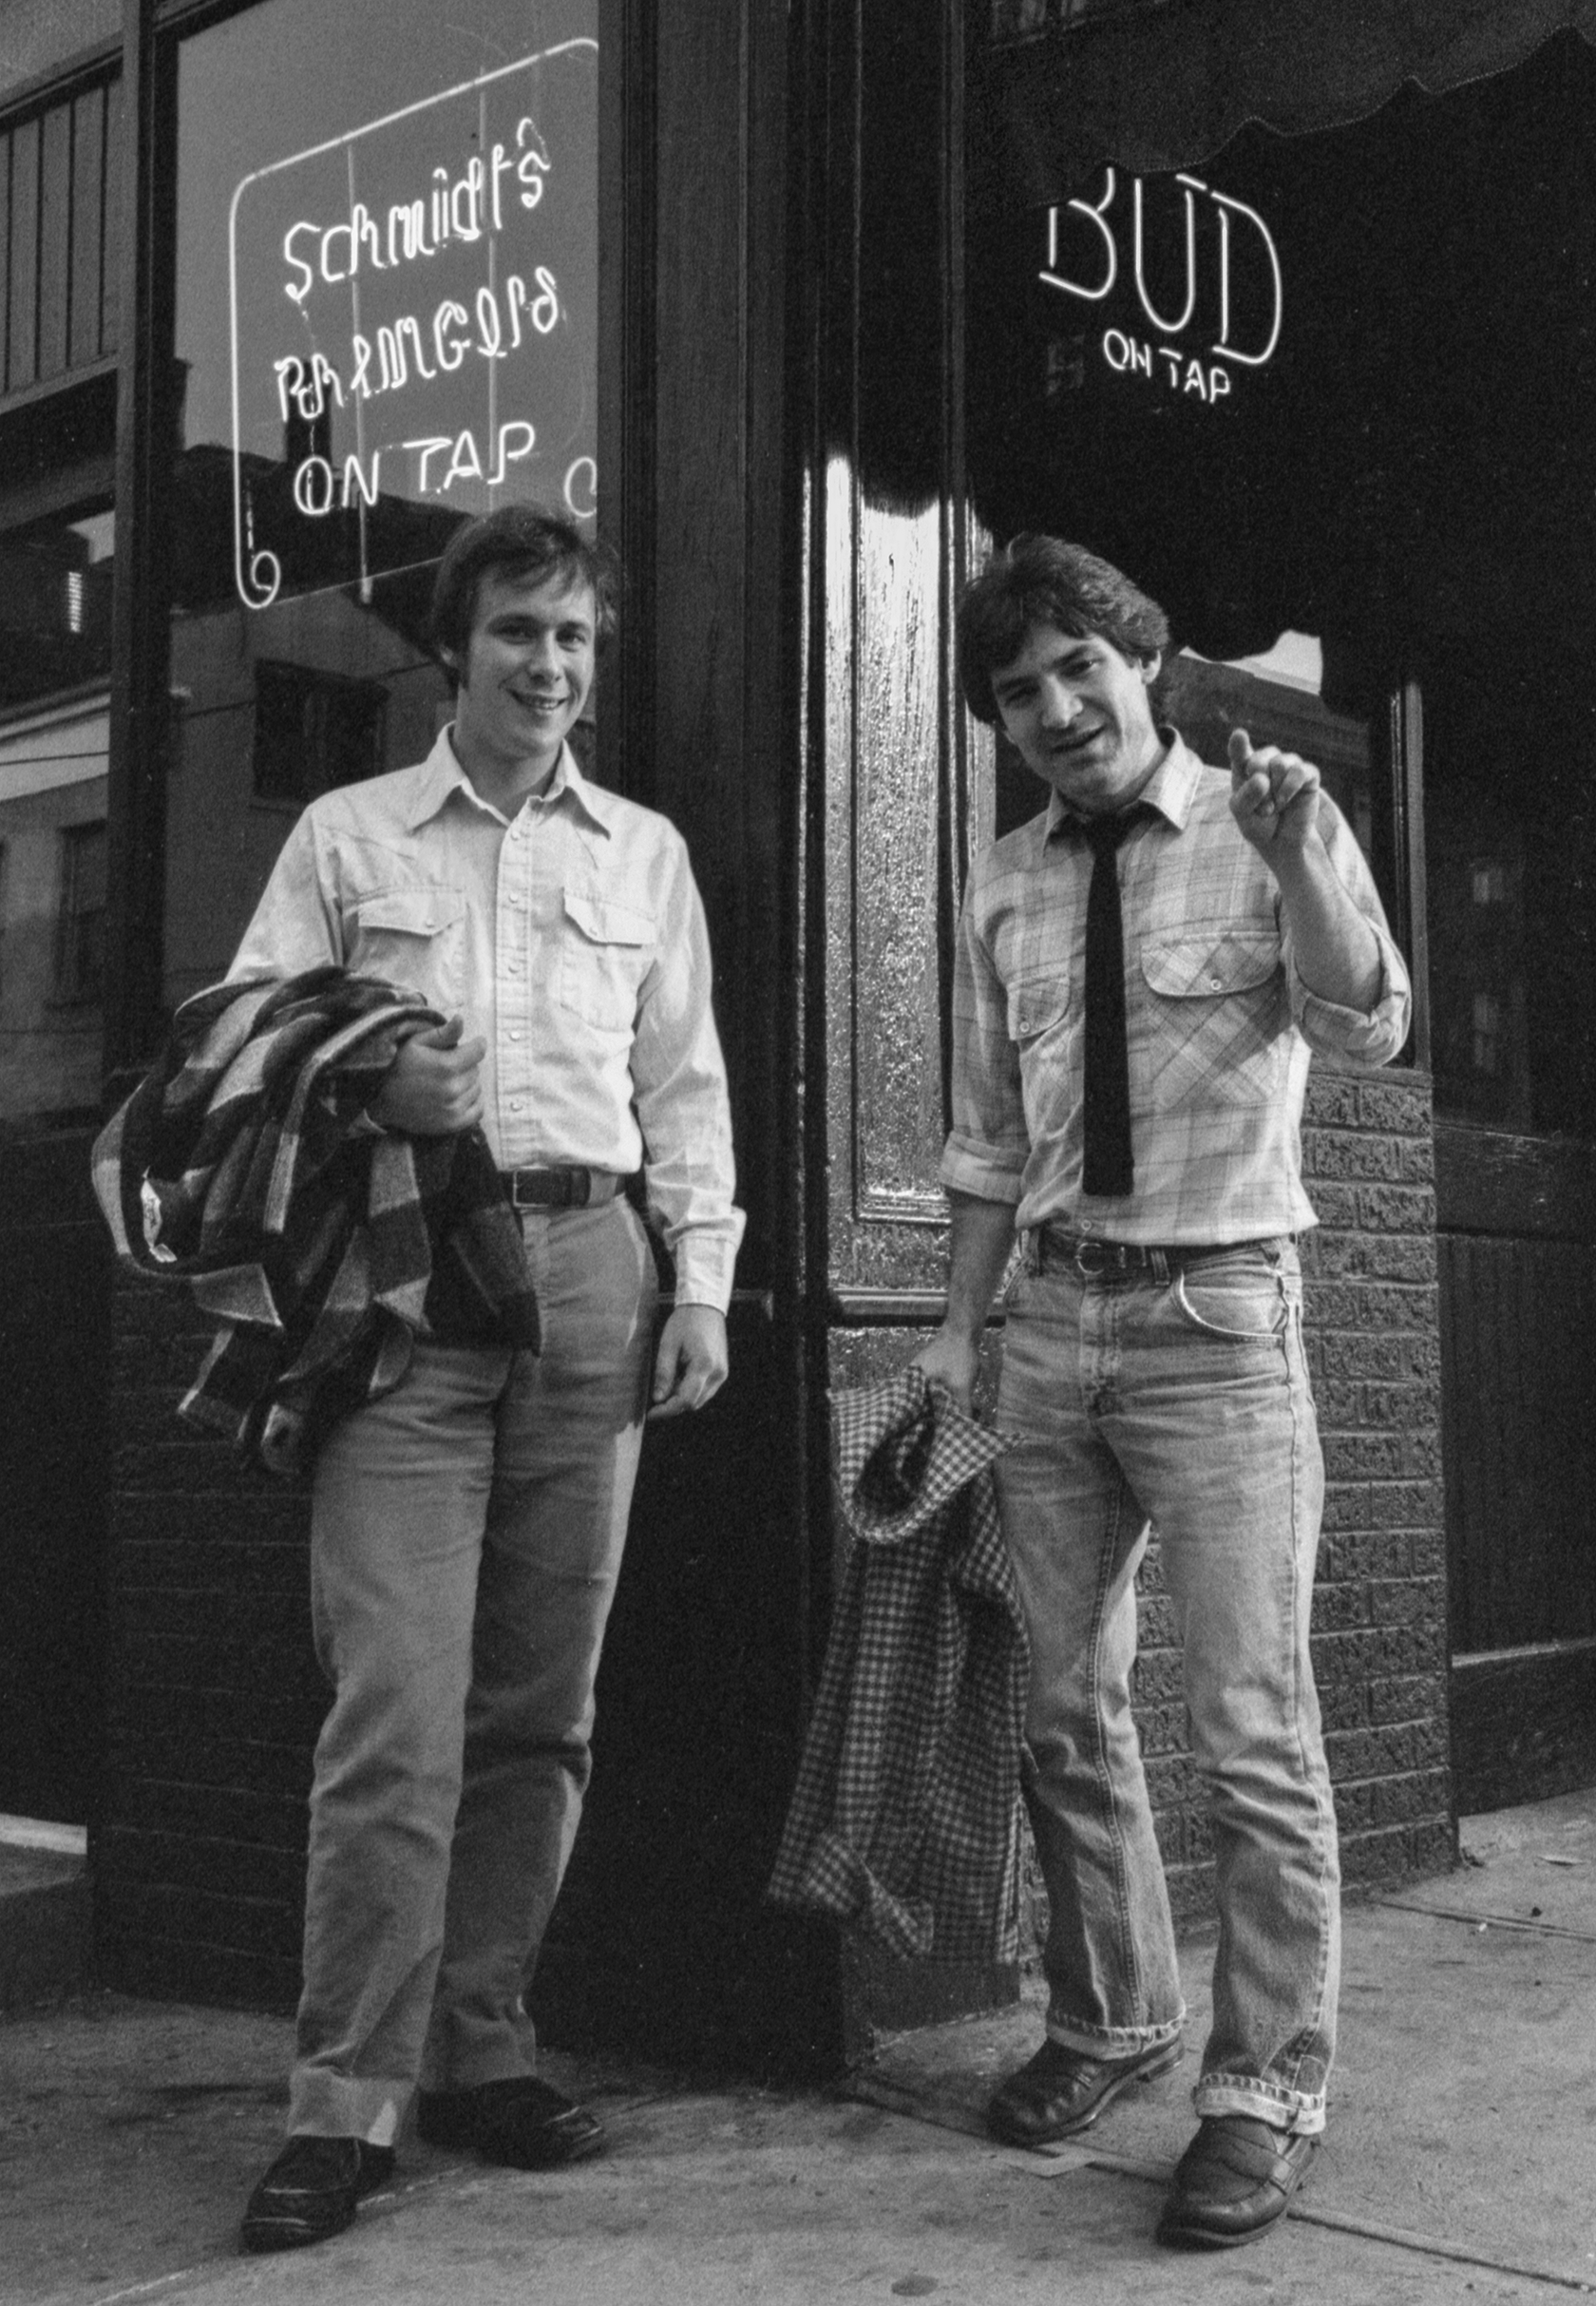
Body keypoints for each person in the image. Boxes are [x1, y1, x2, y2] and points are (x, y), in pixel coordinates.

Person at [236, 505, 743, 2253]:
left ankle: (482, 2045)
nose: (551, 665)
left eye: (577, 639)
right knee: (393, 1703)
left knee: (542, 1703)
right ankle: (345, 2097)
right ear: (455, 648)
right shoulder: (346, 835)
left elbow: (686, 1093)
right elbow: (243, 1046)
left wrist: (704, 1290)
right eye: (521, 631)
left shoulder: (641, 853)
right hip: (404, 1289)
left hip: (593, 1274)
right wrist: (373, 1088)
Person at [915, 536, 1410, 2249]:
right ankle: (1113, 2013)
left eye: (1079, 671)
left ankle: (1265, 2087)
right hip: (1052, 1325)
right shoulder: (1000, 883)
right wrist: (956, 1329)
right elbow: (987, 1141)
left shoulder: (1268, 821)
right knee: (1066, 1708)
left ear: (1151, 662)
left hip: (1218, 1320)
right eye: (1018, 691)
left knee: (1255, 1730)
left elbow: (1367, 1028)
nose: (1055, 709)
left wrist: (1302, 861)